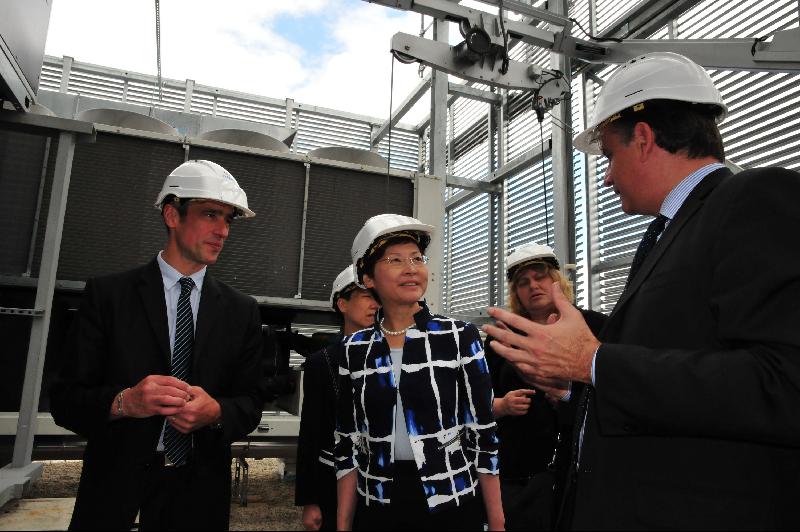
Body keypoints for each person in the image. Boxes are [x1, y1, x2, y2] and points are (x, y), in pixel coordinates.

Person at [483, 52, 800, 529]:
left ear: (645, 139)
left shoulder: (754, 200)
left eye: (610, 155)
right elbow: (672, 375)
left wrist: (592, 364)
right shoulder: (667, 236)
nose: (606, 176)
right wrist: (577, 388)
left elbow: (786, 383)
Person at [50, 160, 264, 530]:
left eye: (228, 219)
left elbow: (251, 403)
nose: (223, 230)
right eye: (210, 214)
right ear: (171, 215)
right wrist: (125, 403)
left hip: (198, 497)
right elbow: (65, 400)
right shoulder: (109, 296)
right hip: (114, 490)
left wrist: (216, 412)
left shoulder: (241, 311)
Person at [334, 214, 504, 531]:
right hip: (378, 503)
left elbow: (483, 435)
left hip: (450, 500)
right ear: (367, 278)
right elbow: (347, 443)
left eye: (417, 258)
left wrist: (497, 523)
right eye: (395, 260)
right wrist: (343, 525)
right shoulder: (353, 348)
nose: (411, 268)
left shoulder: (459, 337)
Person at [485, 243, 606, 531]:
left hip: (582, 469)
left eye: (540, 277)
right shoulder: (502, 339)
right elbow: (474, 401)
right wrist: (501, 405)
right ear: (516, 294)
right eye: (523, 283)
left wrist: (569, 394)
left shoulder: (594, 326)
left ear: (557, 281)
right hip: (517, 473)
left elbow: (620, 387)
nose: (533, 286)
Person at [295, 266, 379, 531]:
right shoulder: (321, 363)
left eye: (377, 297)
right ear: (342, 304)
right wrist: (310, 501)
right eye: (366, 296)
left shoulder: (391, 357)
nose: (375, 305)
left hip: (379, 484)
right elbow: (311, 432)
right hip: (332, 484)